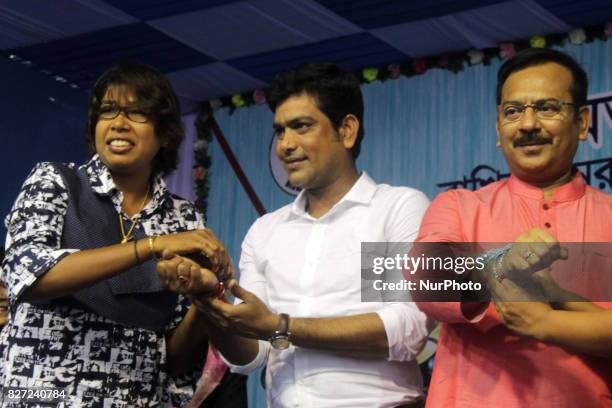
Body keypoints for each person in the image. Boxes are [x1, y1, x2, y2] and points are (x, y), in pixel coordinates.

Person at [158, 63, 433, 407]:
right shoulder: (266, 231)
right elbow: (249, 357)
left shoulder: (392, 209)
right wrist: (208, 301)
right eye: (280, 131)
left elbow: (404, 328)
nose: (285, 145)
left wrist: (280, 327)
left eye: (301, 127)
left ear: (346, 130)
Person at [0, 62, 233, 407]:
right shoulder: (55, 182)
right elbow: (30, 275)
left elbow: (175, 360)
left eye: (137, 112)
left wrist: (206, 295)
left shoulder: (184, 219)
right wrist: (150, 247)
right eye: (107, 110)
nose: (118, 123)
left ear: (166, 132)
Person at [415, 48, 612, 407]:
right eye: (512, 111)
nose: (528, 124)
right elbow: (424, 282)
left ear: (583, 122)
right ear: (498, 128)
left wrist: (549, 311)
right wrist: (501, 265)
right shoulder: (458, 206)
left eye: (547, 107)